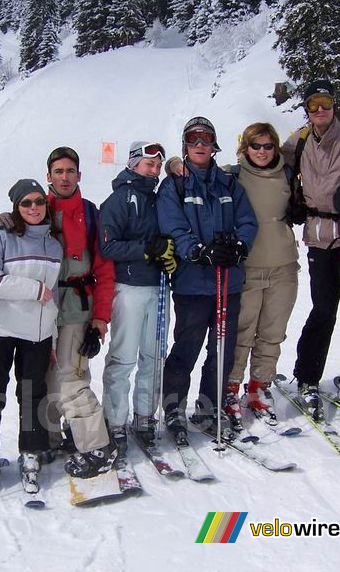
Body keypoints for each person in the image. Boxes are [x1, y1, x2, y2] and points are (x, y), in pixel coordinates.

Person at [280, 80, 340, 419]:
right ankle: (307, 379)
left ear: (334, 105)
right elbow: (268, 165)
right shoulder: (299, 140)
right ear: (307, 110)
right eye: (313, 105)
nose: (320, 110)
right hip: (320, 232)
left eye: (325, 102)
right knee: (324, 308)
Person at [157, 116, 258, 446]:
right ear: (185, 146)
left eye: (205, 139)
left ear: (214, 145)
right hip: (192, 283)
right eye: (193, 139)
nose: (200, 145)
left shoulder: (228, 183)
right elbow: (172, 225)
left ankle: (209, 406)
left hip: (227, 281)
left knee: (222, 349)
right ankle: (173, 408)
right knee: (186, 348)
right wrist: (197, 251)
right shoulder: (175, 185)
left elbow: (247, 221)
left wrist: (239, 246)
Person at [0, 179, 63, 495]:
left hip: (37, 332)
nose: (34, 208)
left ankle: (31, 452)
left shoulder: (54, 245)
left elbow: (53, 299)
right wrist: (34, 289)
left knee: (32, 393)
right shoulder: (1, 235)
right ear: (17, 207)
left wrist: (51, 337)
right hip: (0, 327)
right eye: (26, 203)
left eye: (39, 201)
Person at [222, 123, 303, 428]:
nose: (262, 152)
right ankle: (230, 389)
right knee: (242, 333)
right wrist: (175, 164)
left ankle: (258, 387)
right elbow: (194, 172)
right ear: (245, 148)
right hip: (248, 266)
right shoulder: (231, 175)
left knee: (272, 332)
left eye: (268, 146)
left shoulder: (287, 174)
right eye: (255, 146)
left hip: (283, 265)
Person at [44, 146, 118, 478]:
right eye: (58, 171)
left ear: (78, 176)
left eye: (70, 171)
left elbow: (105, 270)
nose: (64, 177)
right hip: (41, 312)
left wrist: (100, 319)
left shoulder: (90, 214)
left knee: (71, 380)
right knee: (48, 381)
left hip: (77, 309)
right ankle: (66, 437)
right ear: (49, 176)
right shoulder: (32, 208)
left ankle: (97, 447)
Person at [98, 141, 176, 454]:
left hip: (158, 287)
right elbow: (107, 247)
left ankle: (144, 415)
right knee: (124, 356)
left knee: (154, 356)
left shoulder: (160, 199)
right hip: (128, 288)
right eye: (148, 164)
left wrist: (171, 256)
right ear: (133, 165)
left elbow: (169, 238)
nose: (154, 170)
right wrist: (145, 250)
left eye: (158, 165)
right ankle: (114, 420)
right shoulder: (119, 200)